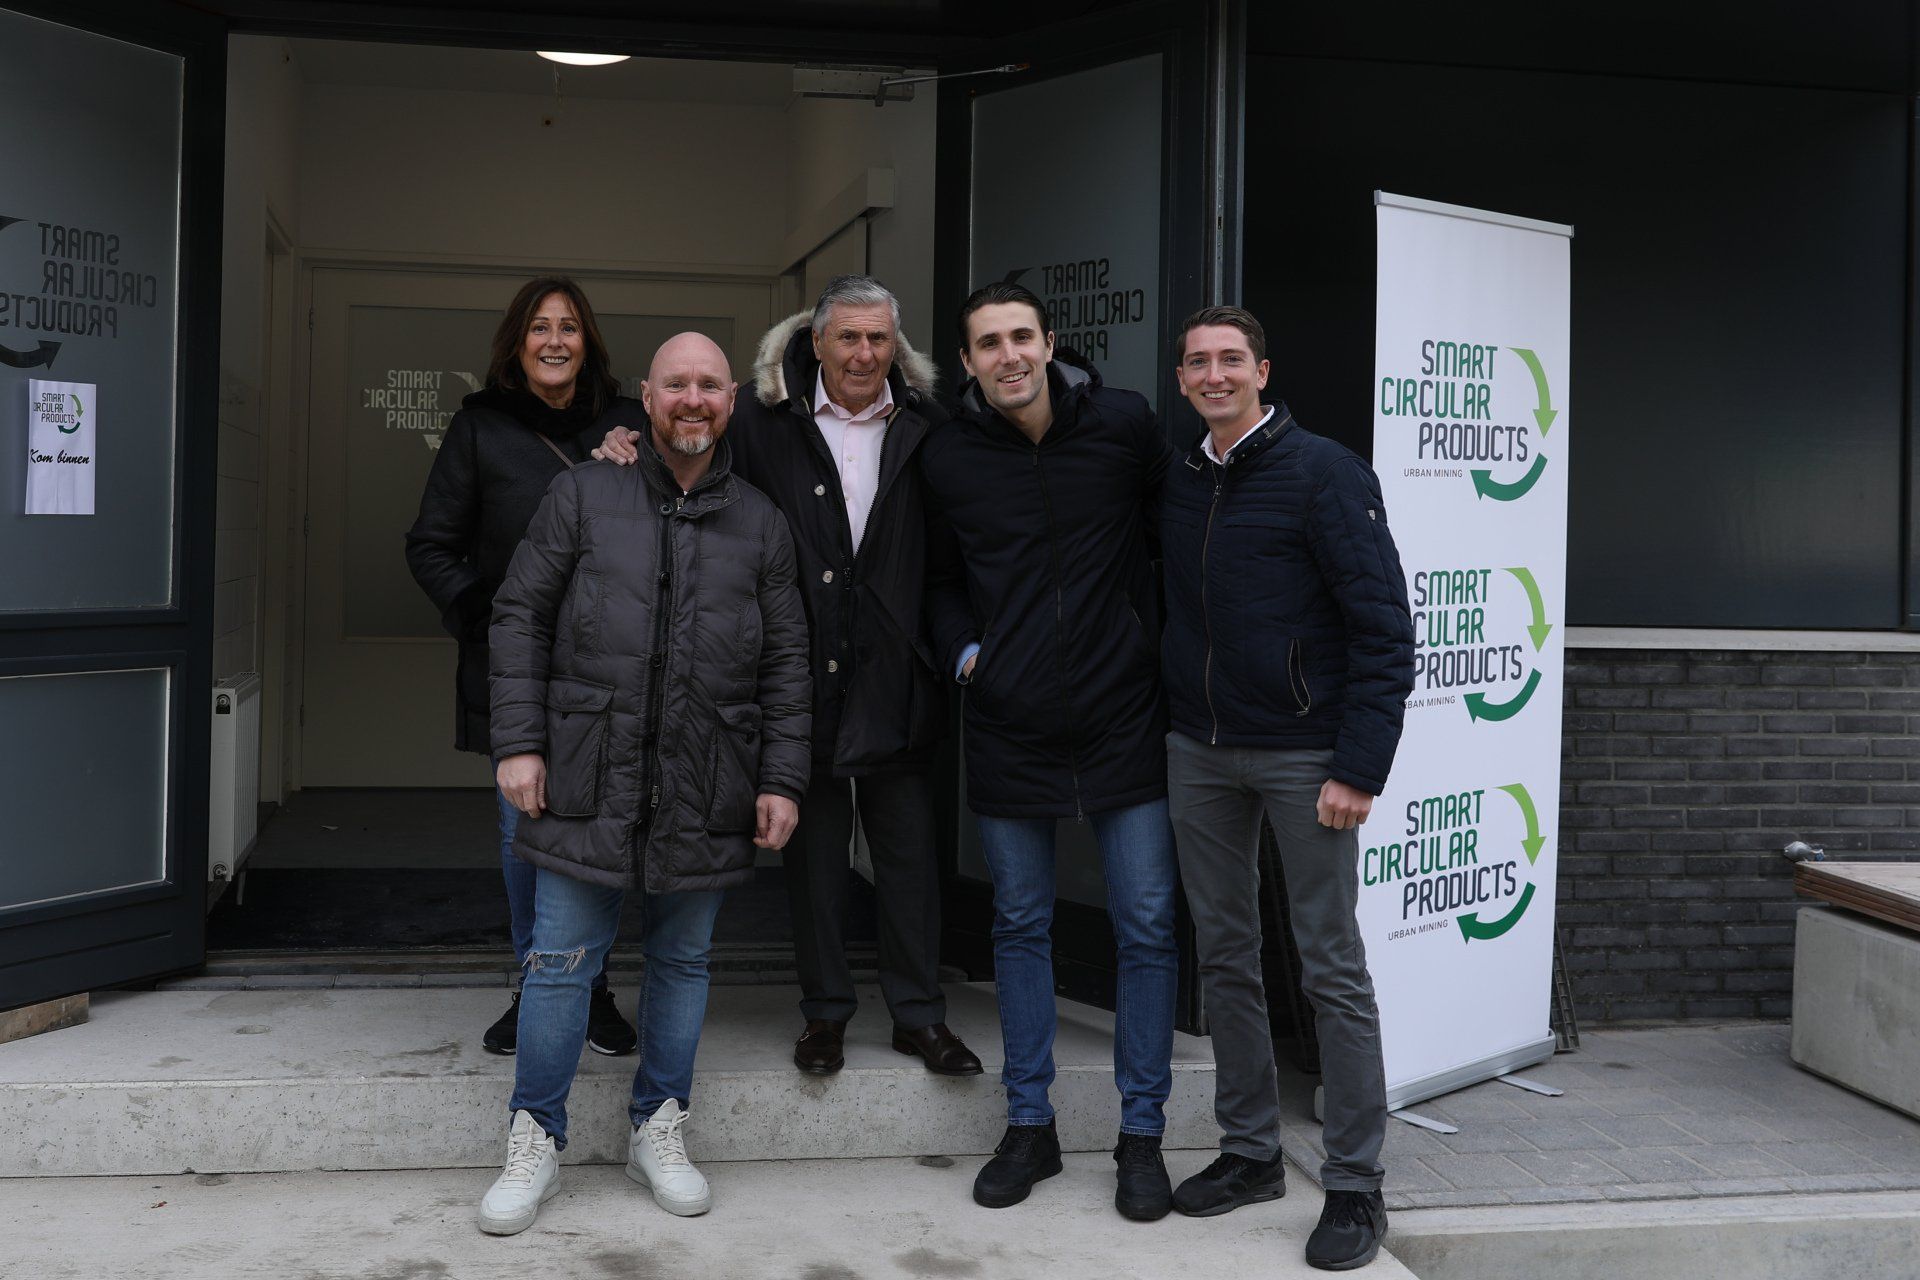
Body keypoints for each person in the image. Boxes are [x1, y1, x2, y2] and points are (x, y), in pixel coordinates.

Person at [597, 277, 978, 1079]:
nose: (864, 354)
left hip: (899, 676)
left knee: (909, 858)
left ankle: (919, 1015)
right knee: (815, 863)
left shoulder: (930, 424)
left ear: (895, 345)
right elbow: (687, 435)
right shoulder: (765, 420)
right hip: (800, 674)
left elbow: (952, 553)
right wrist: (624, 438)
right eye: (849, 338)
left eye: (878, 339)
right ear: (818, 340)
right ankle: (825, 1014)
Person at [474, 332, 810, 1236]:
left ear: (731, 401)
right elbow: (519, 616)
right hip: (587, 767)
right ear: (647, 400)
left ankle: (658, 1126)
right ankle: (534, 1136)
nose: (692, 398)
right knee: (558, 963)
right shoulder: (584, 493)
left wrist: (782, 777)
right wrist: (520, 742)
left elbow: (787, 662)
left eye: (709, 385)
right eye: (675, 384)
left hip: (709, 775)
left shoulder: (762, 522)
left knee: (684, 962)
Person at [1158, 306, 1414, 1272]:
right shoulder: (1182, 477)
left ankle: (1354, 1183)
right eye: (1198, 362)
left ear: (1262, 372)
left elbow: (1385, 627)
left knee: (1329, 966)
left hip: (1306, 754)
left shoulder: (1325, 473)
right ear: (1182, 379)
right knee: (1225, 957)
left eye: (1232, 360)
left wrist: (1359, 766)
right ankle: (1251, 1154)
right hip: (1199, 749)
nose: (1215, 375)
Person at [921, 281, 1180, 1222]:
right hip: (1009, 719)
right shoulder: (948, 454)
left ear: (1050, 341)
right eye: (988, 343)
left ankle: (1141, 1135)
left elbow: (1178, 532)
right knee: (1020, 925)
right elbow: (938, 579)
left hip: (1123, 715)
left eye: (1021, 337)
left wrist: (1155, 645)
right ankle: (1030, 1126)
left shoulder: (1123, 424)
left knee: (1146, 925)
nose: (1009, 356)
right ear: (967, 362)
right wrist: (967, 655)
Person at [405, 276, 641, 1058]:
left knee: (600, 832)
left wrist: (631, 468)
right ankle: (539, 983)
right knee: (524, 835)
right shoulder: (479, 428)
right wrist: (484, 616)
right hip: (517, 669)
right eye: (540, 327)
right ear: (517, 342)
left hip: (611, 665)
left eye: (569, 327)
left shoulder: (629, 423)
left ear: (587, 342)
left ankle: (591, 988)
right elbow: (430, 545)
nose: (555, 340)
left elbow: (680, 508)